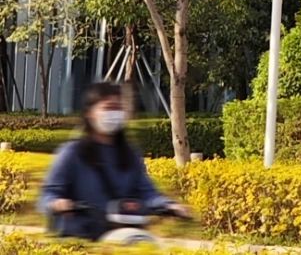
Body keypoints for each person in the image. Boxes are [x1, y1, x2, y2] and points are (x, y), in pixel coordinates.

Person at [38, 83, 189, 241]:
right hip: (82, 239)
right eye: (108, 107)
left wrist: (168, 205)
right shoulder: (72, 153)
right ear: (90, 113)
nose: (114, 113)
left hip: (124, 235)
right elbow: (48, 195)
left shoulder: (130, 154)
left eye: (118, 108)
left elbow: (146, 191)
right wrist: (58, 203)